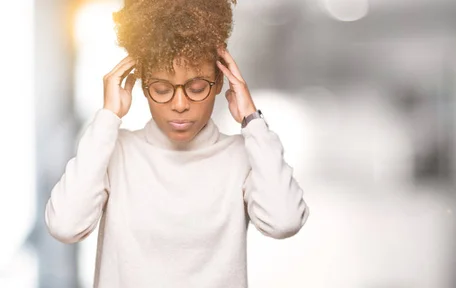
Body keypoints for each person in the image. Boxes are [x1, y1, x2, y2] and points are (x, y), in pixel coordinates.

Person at [44, 0, 309, 287]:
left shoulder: (240, 157)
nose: (180, 105)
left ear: (221, 82)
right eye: (161, 89)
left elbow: (285, 221)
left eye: (196, 88)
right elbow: (65, 226)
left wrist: (252, 120)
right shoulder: (115, 152)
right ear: (142, 84)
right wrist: (108, 117)